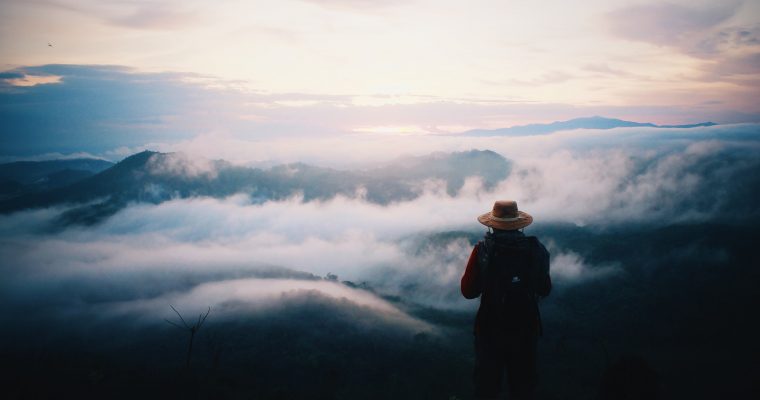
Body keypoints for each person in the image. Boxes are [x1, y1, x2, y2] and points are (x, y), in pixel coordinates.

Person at [461, 200, 552, 400]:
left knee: (486, 386)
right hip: (525, 328)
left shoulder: (482, 251)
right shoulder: (535, 250)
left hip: (489, 328)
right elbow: (545, 288)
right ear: (520, 224)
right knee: (523, 386)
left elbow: (468, 291)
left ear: (491, 225)